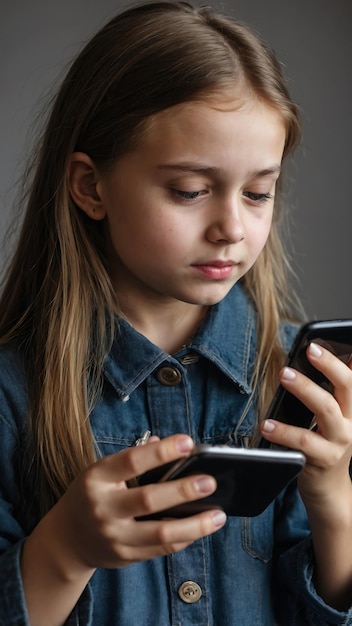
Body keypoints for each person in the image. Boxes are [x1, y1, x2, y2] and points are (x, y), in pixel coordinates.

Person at [0, 1, 351, 624]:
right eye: (190, 191)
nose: (231, 228)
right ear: (90, 187)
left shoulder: (304, 389)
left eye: (258, 192)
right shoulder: (10, 393)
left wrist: (333, 500)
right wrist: (63, 552)